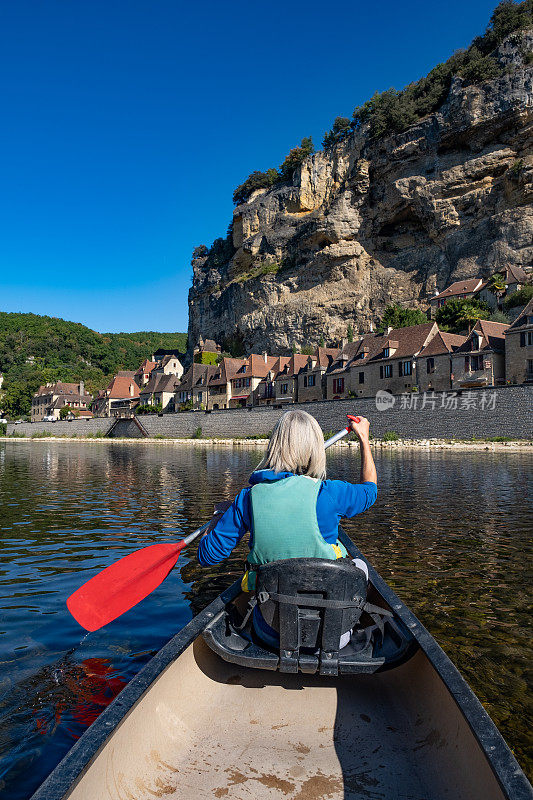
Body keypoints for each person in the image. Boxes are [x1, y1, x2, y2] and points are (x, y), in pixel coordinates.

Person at [197, 408, 377, 647]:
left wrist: (219, 516)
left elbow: (207, 556)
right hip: (334, 636)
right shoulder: (330, 493)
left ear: (275, 446)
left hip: (271, 632)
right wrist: (364, 438)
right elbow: (370, 491)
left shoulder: (248, 498)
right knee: (360, 565)